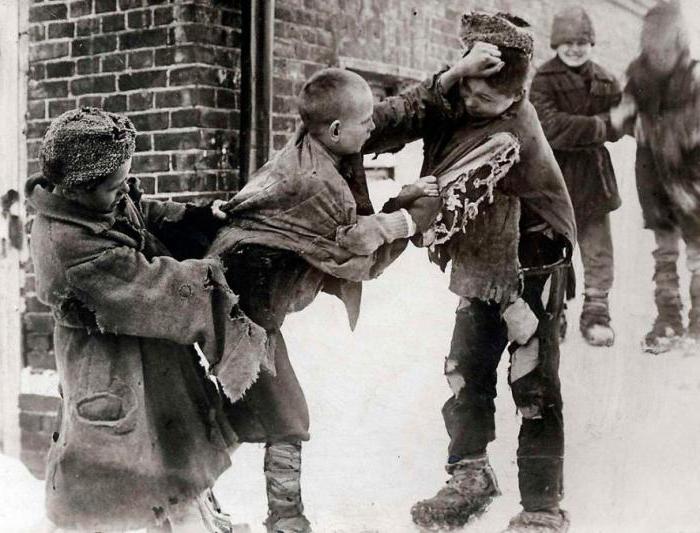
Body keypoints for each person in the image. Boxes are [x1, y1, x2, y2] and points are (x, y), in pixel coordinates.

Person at [361, 12, 577, 533]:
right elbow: (386, 122)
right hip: (483, 256)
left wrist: (382, 228)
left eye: (484, 100)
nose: (470, 106)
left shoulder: (506, 134)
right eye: (469, 92)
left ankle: (541, 506)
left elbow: (442, 204)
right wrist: (451, 79)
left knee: (532, 379)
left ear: (514, 96)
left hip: (532, 256)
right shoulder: (460, 97)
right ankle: (470, 475)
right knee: (466, 369)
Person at [208, 68, 442, 533]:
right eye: (365, 124)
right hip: (242, 306)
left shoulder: (322, 143)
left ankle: (198, 496)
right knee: (287, 416)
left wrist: (399, 200)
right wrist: (410, 217)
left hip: (251, 302)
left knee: (253, 411)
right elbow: (355, 250)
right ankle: (285, 520)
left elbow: (355, 221)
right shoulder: (314, 182)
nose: (373, 131)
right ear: (336, 131)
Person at [28, 107, 269, 532]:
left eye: (125, 182)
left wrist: (195, 218)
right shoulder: (67, 245)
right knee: (121, 480)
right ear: (77, 187)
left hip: (148, 360)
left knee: (171, 456)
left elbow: (142, 210)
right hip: (110, 371)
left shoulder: (97, 202)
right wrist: (217, 274)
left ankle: (192, 518)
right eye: (114, 187)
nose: (124, 193)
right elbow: (153, 289)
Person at [531, 6, 633, 347]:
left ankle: (596, 314)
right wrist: (602, 125)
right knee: (552, 249)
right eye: (568, 42)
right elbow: (550, 127)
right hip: (552, 177)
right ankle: (552, 312)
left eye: (582, 41)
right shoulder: (543, 79)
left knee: (598, 251)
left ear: (591, 43)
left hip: (594, 177)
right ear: (556, 44)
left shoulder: (605, 79)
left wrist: (615, 124)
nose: (575, 48)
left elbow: (625, 122)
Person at [624, 0, 700, 353]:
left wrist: (659, 129)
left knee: (698, 251)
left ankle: (699, 322)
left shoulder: (695, 78)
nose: (660, 53)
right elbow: (623, 117)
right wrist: (628, 120)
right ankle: (668, 318)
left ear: (680, 41)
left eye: (667, 44)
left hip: (692, 180)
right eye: (653, 45)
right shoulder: (637, 76)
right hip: (653, 179)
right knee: (664, 252)